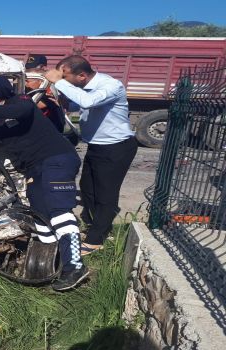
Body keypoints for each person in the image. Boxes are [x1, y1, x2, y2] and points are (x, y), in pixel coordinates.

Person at [0, 75, 88, 291]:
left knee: (58, 210)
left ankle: (75, 266)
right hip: (33, 167)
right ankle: (49, 266)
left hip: (56, 159)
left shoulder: (19, 102)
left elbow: (21, 111)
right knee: (40, 214)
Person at [44, 55, 138, 255]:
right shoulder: (82, 86)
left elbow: (87, 102)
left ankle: (96, 239)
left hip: (116, 147)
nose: (62, 79)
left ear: (81, 76)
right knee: (87, 188)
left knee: (106, 194)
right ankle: (96, 225)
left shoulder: (111, 85)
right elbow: (79, 105)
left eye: (65, 75)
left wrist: (59, 82)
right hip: (96, 146)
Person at [25, 55, 65, 133]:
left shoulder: (50, 85)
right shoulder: (30, 84)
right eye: (28, 69)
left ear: (44, 67)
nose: (25, 84)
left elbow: (43, 104)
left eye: (36, 68)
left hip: (50, 125)